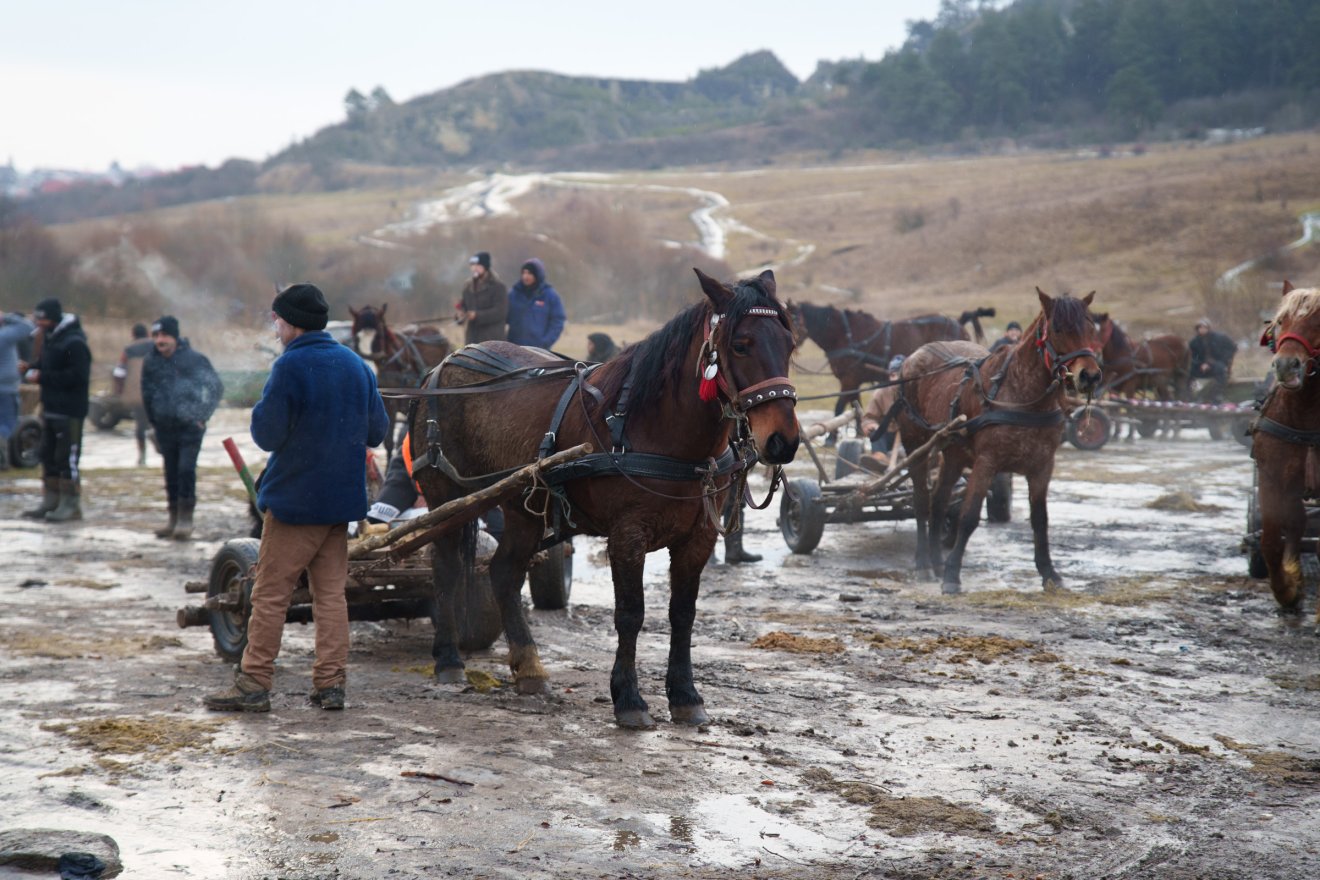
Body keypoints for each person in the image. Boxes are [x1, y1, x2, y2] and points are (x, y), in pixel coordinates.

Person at [205, 283, 388, 713]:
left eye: (277, 321)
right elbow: (376, 432)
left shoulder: (288, 367)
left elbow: (266, 435)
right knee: (331, 598)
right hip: (340, 506)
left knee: (270, 595)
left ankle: (253, 682)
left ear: (290, 323)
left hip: (295, 505)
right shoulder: (357, 365)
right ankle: (331, 686)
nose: (274, 330)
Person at [140, 315, 224, 540]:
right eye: (156, 336)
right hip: (164, 427)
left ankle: (186, 520)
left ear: (175, 337)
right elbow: (146, 393)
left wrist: (202, 415)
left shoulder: (194, 359)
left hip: (190, 426)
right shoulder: (151, 361)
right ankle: (173, 519)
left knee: (186, 470)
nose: (160, 340)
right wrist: (153, 422)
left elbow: (216, 387)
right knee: (171, 473)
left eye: (165, 335)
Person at [21, 298, 91, 522]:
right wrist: (32, 368)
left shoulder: (74, 343)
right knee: (48, 455)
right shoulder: (52, 339)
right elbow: (49, 366)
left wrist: (44, 377)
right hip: (50, 407)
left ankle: (71, 505)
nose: (39, 323)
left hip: (69, 410)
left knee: (66, 458)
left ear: (54, 318)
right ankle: (51, 501)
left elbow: (78, 376)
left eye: (43, 319)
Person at [114, 323, 154, 467]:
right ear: (147, 334)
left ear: (133, 335)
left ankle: (142, 456)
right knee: (156, 421)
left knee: (140, 424)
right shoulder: (155, 346)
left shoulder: (129, 350)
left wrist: (118, 391)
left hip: (136, 393)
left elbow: (119, 372)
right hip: (154, 392)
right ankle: (158, 441)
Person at [858, 355, 906, 473]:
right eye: (894, 375)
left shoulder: (914, 392)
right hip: (888, 437)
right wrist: (872, 425)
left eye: (901, 375)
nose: (897, 379)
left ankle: (916, 460)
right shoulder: (881, 393)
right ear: (890, 376)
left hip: (908, 437)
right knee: (876, 432)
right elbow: (868, 418)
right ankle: (880, 459)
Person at [0, 311, 35, 471]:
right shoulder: (4, 336)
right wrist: (6, 316)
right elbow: (27, 326)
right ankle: (1, 460)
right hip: (6, 389)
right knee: (6, 424)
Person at [506, 258, 566, 350]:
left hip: (539, 350)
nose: (525, 276)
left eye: (529, 273)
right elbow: (502, 316)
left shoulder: (550, 295)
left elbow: (558, 321)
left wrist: (545, 342)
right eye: (524, 273)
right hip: (515, 348)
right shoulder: (513, 294)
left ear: (538, 275)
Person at [455, 251, 507, 345]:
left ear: (485, 267)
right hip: (472, 340)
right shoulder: (467, 286)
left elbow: (500, 312)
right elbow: (464, 306)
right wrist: (460, 315)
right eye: (472, 265)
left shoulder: (498, 287)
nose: (474, 268)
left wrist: (477, 315)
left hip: (493, 340)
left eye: (478, 265)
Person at [1189, 317, 1236, 403]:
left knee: (1220, 371)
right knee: (1188, 373)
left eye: (1204, 328)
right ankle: (1193, 396)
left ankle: (1217, 395)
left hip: (1218, 362)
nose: (1202, 330)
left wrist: (1225, 359)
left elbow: (1232, 348)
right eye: (1200, 328)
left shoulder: (1220, 337)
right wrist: (1200, 364)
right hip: (1201, 365)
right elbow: (1193, 356)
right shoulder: (1194, 342)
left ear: (1208, 328)